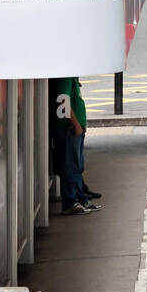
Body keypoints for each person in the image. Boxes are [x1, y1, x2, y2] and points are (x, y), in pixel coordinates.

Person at [50, 75, 100, 215]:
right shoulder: (64, 76)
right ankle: (71, 202)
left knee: (76, 166)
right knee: (70, 167)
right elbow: (63, 102)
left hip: (74, 129)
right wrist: (77, 125)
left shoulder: (70, 76)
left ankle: (81, 199)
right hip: (69, 129)